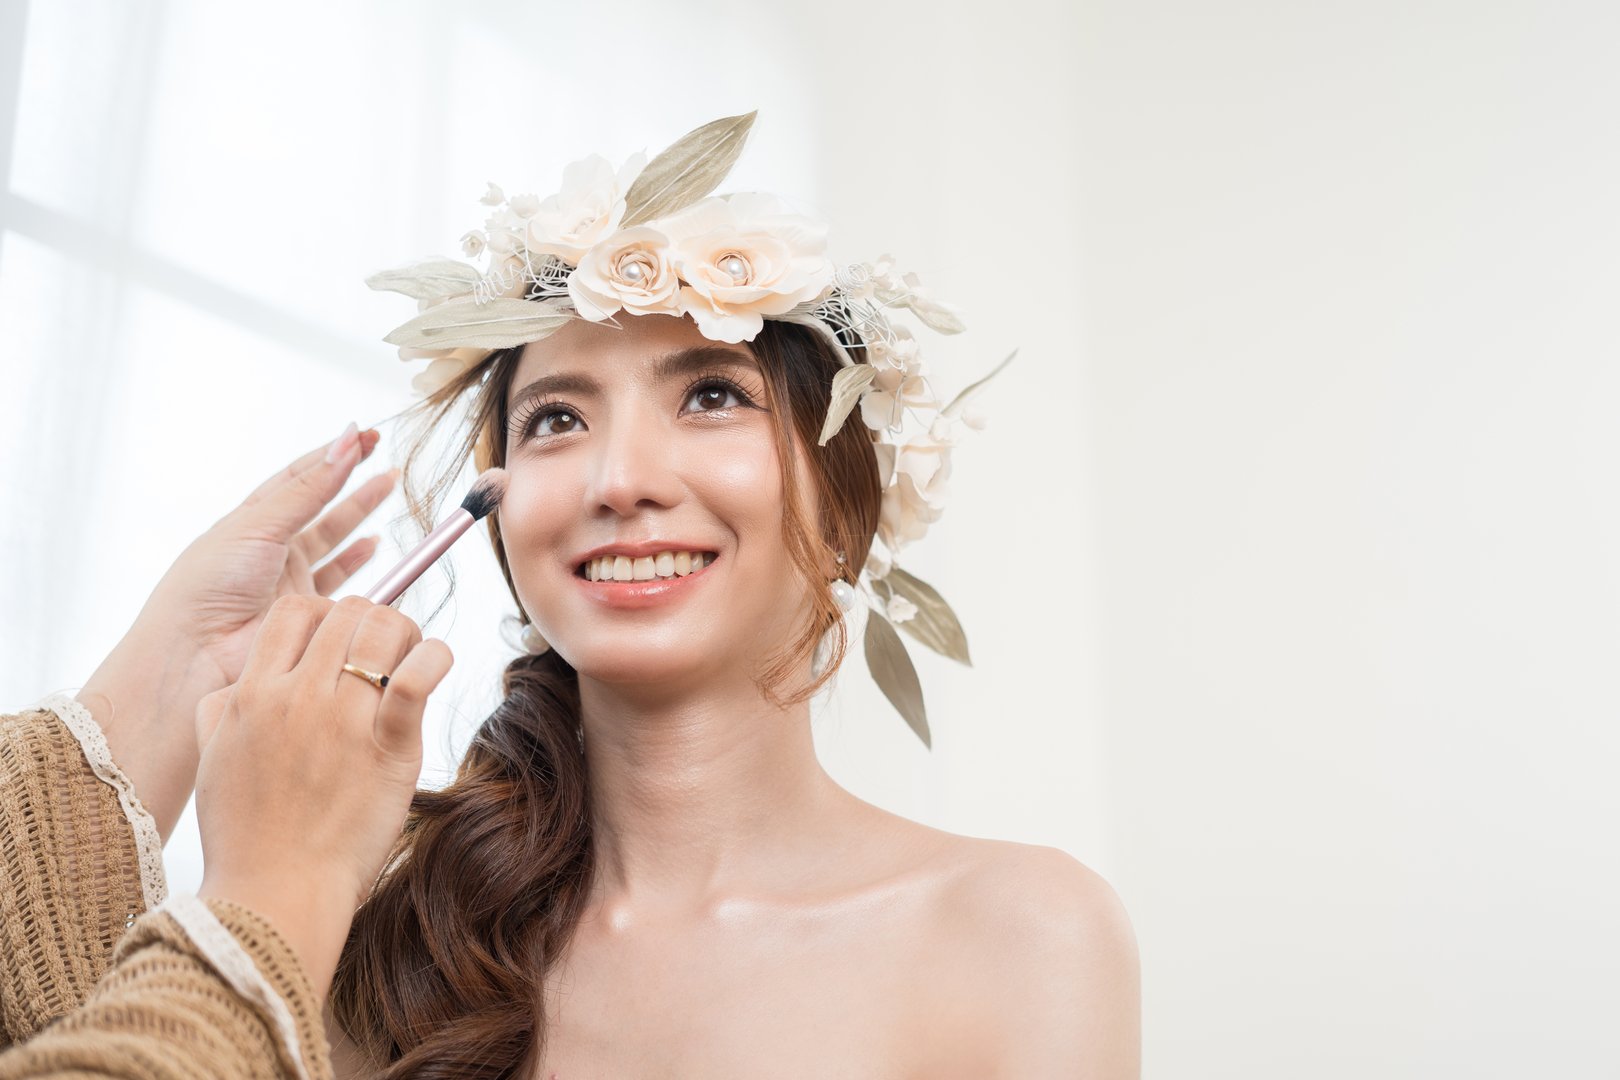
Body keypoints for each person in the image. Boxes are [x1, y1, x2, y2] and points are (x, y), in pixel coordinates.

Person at [0, 114, 1140, 1079]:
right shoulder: (364, 940)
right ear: (499, 511)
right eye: (556, 418)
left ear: (846, 509)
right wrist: (174, 692)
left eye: (710, 395)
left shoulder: (1022, 932)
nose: (621, 480)